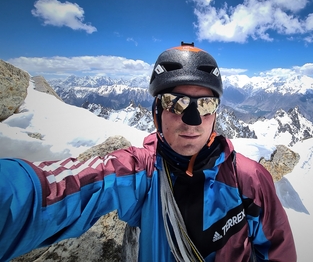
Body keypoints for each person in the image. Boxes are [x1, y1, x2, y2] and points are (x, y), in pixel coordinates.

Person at [0, 43, 296, 262]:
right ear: (156, 112)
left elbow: (276, 250)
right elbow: (65, 187)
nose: (192, 120)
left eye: (205, 105)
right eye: (175, 103)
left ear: (216, 114)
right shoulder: (142, 173)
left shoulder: (250, 180)